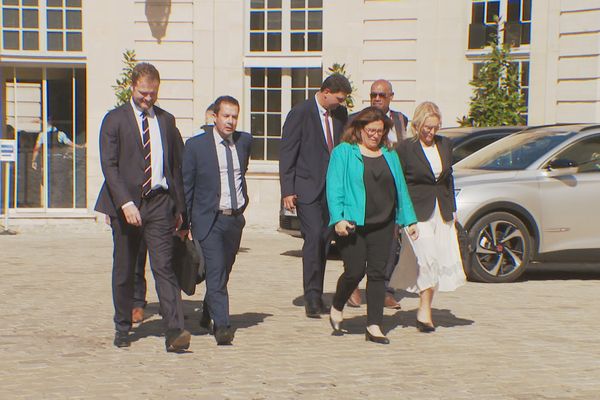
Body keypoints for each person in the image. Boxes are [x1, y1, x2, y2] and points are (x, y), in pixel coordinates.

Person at [95, 62, 191, 351]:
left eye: (153, 93)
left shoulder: (166, 120)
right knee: (125, 267)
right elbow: (109, 166)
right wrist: (125, 203)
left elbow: (176, 166)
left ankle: (175, 330)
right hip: (125, 205)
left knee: (164, 267)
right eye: (143, 93)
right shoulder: (114, 120)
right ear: (132, 87)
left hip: (159, 202)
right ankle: (122, 325)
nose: (148, 99)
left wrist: (180, 210)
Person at [326, 107, 418, 344]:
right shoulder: (344, 153)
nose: (376, 135)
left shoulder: (390, 155)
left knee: (377, 274)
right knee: (354, 271)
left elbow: (401, 190)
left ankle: (374, 325)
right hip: (353, 224)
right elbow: (334, 187)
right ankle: (337, 304)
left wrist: (409, 220)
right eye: (371, 130)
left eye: (380, 131)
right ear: (359, 129)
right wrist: (338, 218)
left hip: (384, 223)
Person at [279, 73, 352, 318]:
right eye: (338, 98)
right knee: (312, 239)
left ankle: (318, 292)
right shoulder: (300, 113)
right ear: (326, 92)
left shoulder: (340, 115)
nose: (341, 103)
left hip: (333, 191)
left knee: (324, 240)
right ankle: (311, 296)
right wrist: (287, 190)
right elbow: (288, 151)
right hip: (307, 188)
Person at [390, 101, 466, 332]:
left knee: (437, 259)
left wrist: (451, 209)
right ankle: (424, 310)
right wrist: (399, 216)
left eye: (435, 127)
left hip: (440, 212)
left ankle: (426, 307)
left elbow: (447, 178)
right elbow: (398, 183)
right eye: (427, 127)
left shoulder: (445, 145)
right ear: (417, 124)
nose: (431, 132)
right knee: (427, 257)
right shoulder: (405, 149)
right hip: (416, 212)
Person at [182, 95, 252, 345]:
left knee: (224, 269)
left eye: (234, 116)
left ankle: (209, 310)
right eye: (226, 116)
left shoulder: (244, 143)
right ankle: (222, 326)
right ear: (214, 117)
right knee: (215, 269)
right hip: (208, 219)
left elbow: (241, 174)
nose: (230, 121)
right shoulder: (196, 146)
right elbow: (187, 186)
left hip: (234, 219)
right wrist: (185, 223)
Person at [346, 79, 409, 309]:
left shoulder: (401, 120)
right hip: (364, 189)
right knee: (358, 244)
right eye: (373, 94)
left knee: (391, 245)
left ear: (391, 96)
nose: (377, 98)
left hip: (389, 191)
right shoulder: (357, 119)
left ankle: (384, 289)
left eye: (382, 95)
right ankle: (353, 283)